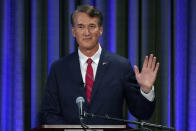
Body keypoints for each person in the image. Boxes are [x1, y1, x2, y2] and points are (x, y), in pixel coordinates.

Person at [40, 4, 159, 125]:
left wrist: (146, 90)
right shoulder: (59, 68)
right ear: (73, 32)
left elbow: (142, 113)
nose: (86, 32)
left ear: (100, 30)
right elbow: (49, 113)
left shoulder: (120, 66)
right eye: (81, 27)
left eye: (92, 26)